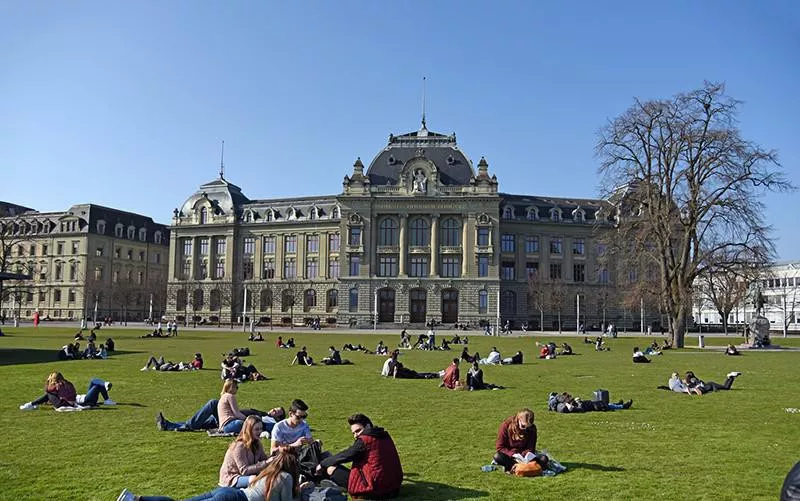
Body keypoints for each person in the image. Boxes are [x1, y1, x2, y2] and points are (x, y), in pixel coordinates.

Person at [118, 446, 312, 501]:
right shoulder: (285, 478)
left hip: (229, 492)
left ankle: (135, 498)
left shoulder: (268, 471)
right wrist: (301, 491)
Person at [317, 413, 403, 499]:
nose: (355, 435)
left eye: (358, 431)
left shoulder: (365, 440)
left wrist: (322, 464)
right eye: (353, 433)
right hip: (394, 487)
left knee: (331, 468)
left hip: (376, 489)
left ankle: (329, 484)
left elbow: (346, 455)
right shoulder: (384, 435)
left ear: (368, 426)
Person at [219, 415, 271, 488]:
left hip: (247, 475)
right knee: (254, 478)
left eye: (261, 429)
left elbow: (264, 458)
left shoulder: (257, 443)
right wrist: (266, 463)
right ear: (249, 430)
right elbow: (244, 470)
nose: (260, 431)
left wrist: (275, 456)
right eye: (256, 429)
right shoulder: (239, 446)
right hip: (232, 477)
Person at [547, 392, 632, 413]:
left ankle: (618, 404)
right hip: (590, 406)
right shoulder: (563, 406)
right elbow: (580, 409)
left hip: (588, 404)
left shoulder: (559, 405)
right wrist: (578, 402)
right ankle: (622, 406)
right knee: (603, 405)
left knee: (604, 404)